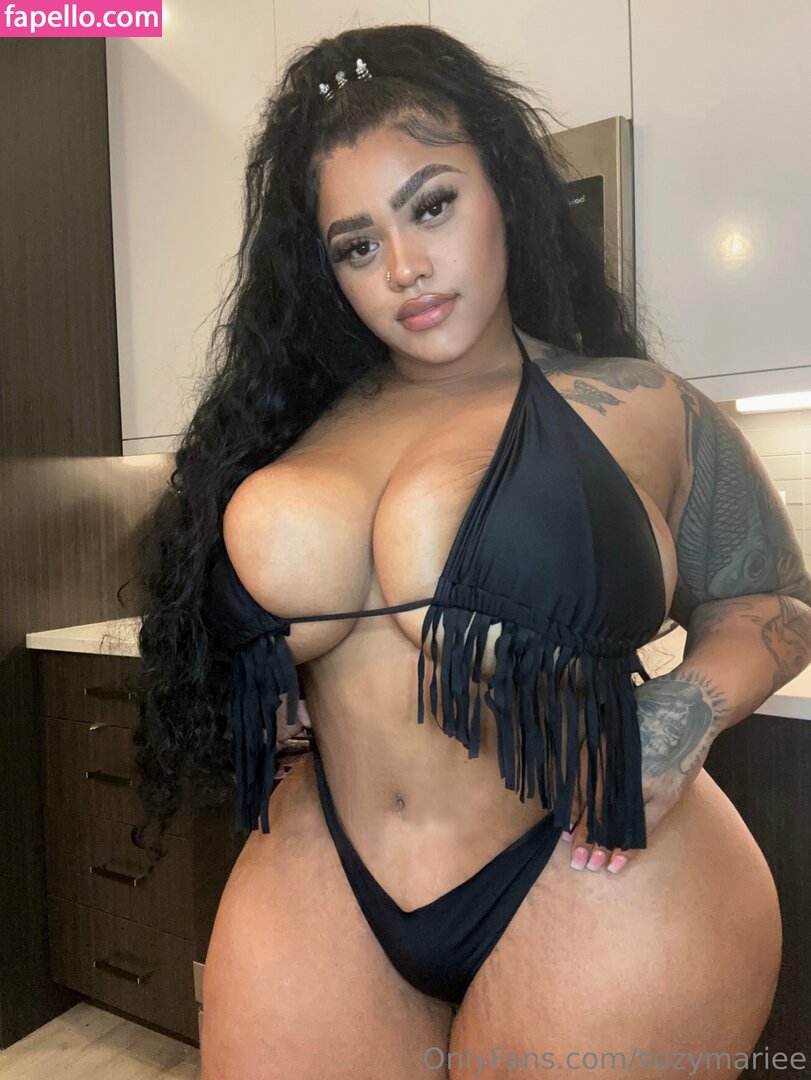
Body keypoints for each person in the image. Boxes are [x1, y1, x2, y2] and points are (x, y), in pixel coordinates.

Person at [126, 23, 807, 1079]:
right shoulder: (283, 431)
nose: (404, 268)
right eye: (356, 245)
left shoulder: (640, 404)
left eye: (432, 205)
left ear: (505, 191)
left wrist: (679, 716)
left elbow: (775, 601)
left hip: (592, 859)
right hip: (328, 863)